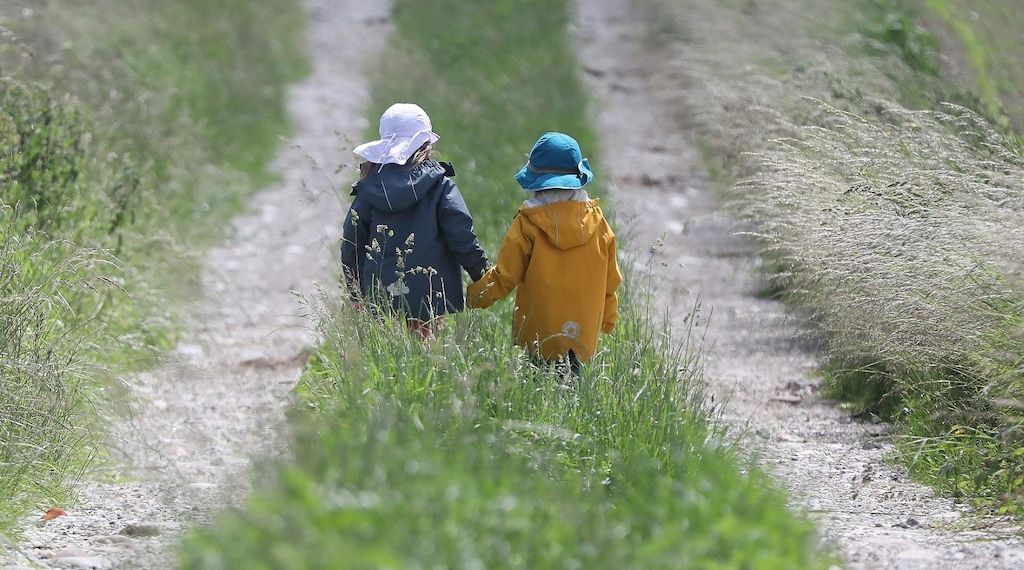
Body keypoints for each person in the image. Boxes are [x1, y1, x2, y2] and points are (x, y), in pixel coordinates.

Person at [466, 132, 622, 375]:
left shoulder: (528, 224)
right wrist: (608, 318)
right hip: (583, 329)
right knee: (572, 389)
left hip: (539, 331)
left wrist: (474, 297)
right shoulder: (598, 224)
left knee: (538, 386)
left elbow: (506, 275)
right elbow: (610, 280)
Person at [341, 103, 488, 338]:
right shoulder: (440, 186)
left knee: (388, 345)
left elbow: (352, 240)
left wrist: (356, 291)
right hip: (429, 287)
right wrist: (483, 273)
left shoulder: (370, 188)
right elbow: (461, 235)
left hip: (381, 288)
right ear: (426, 145)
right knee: (424, 340)